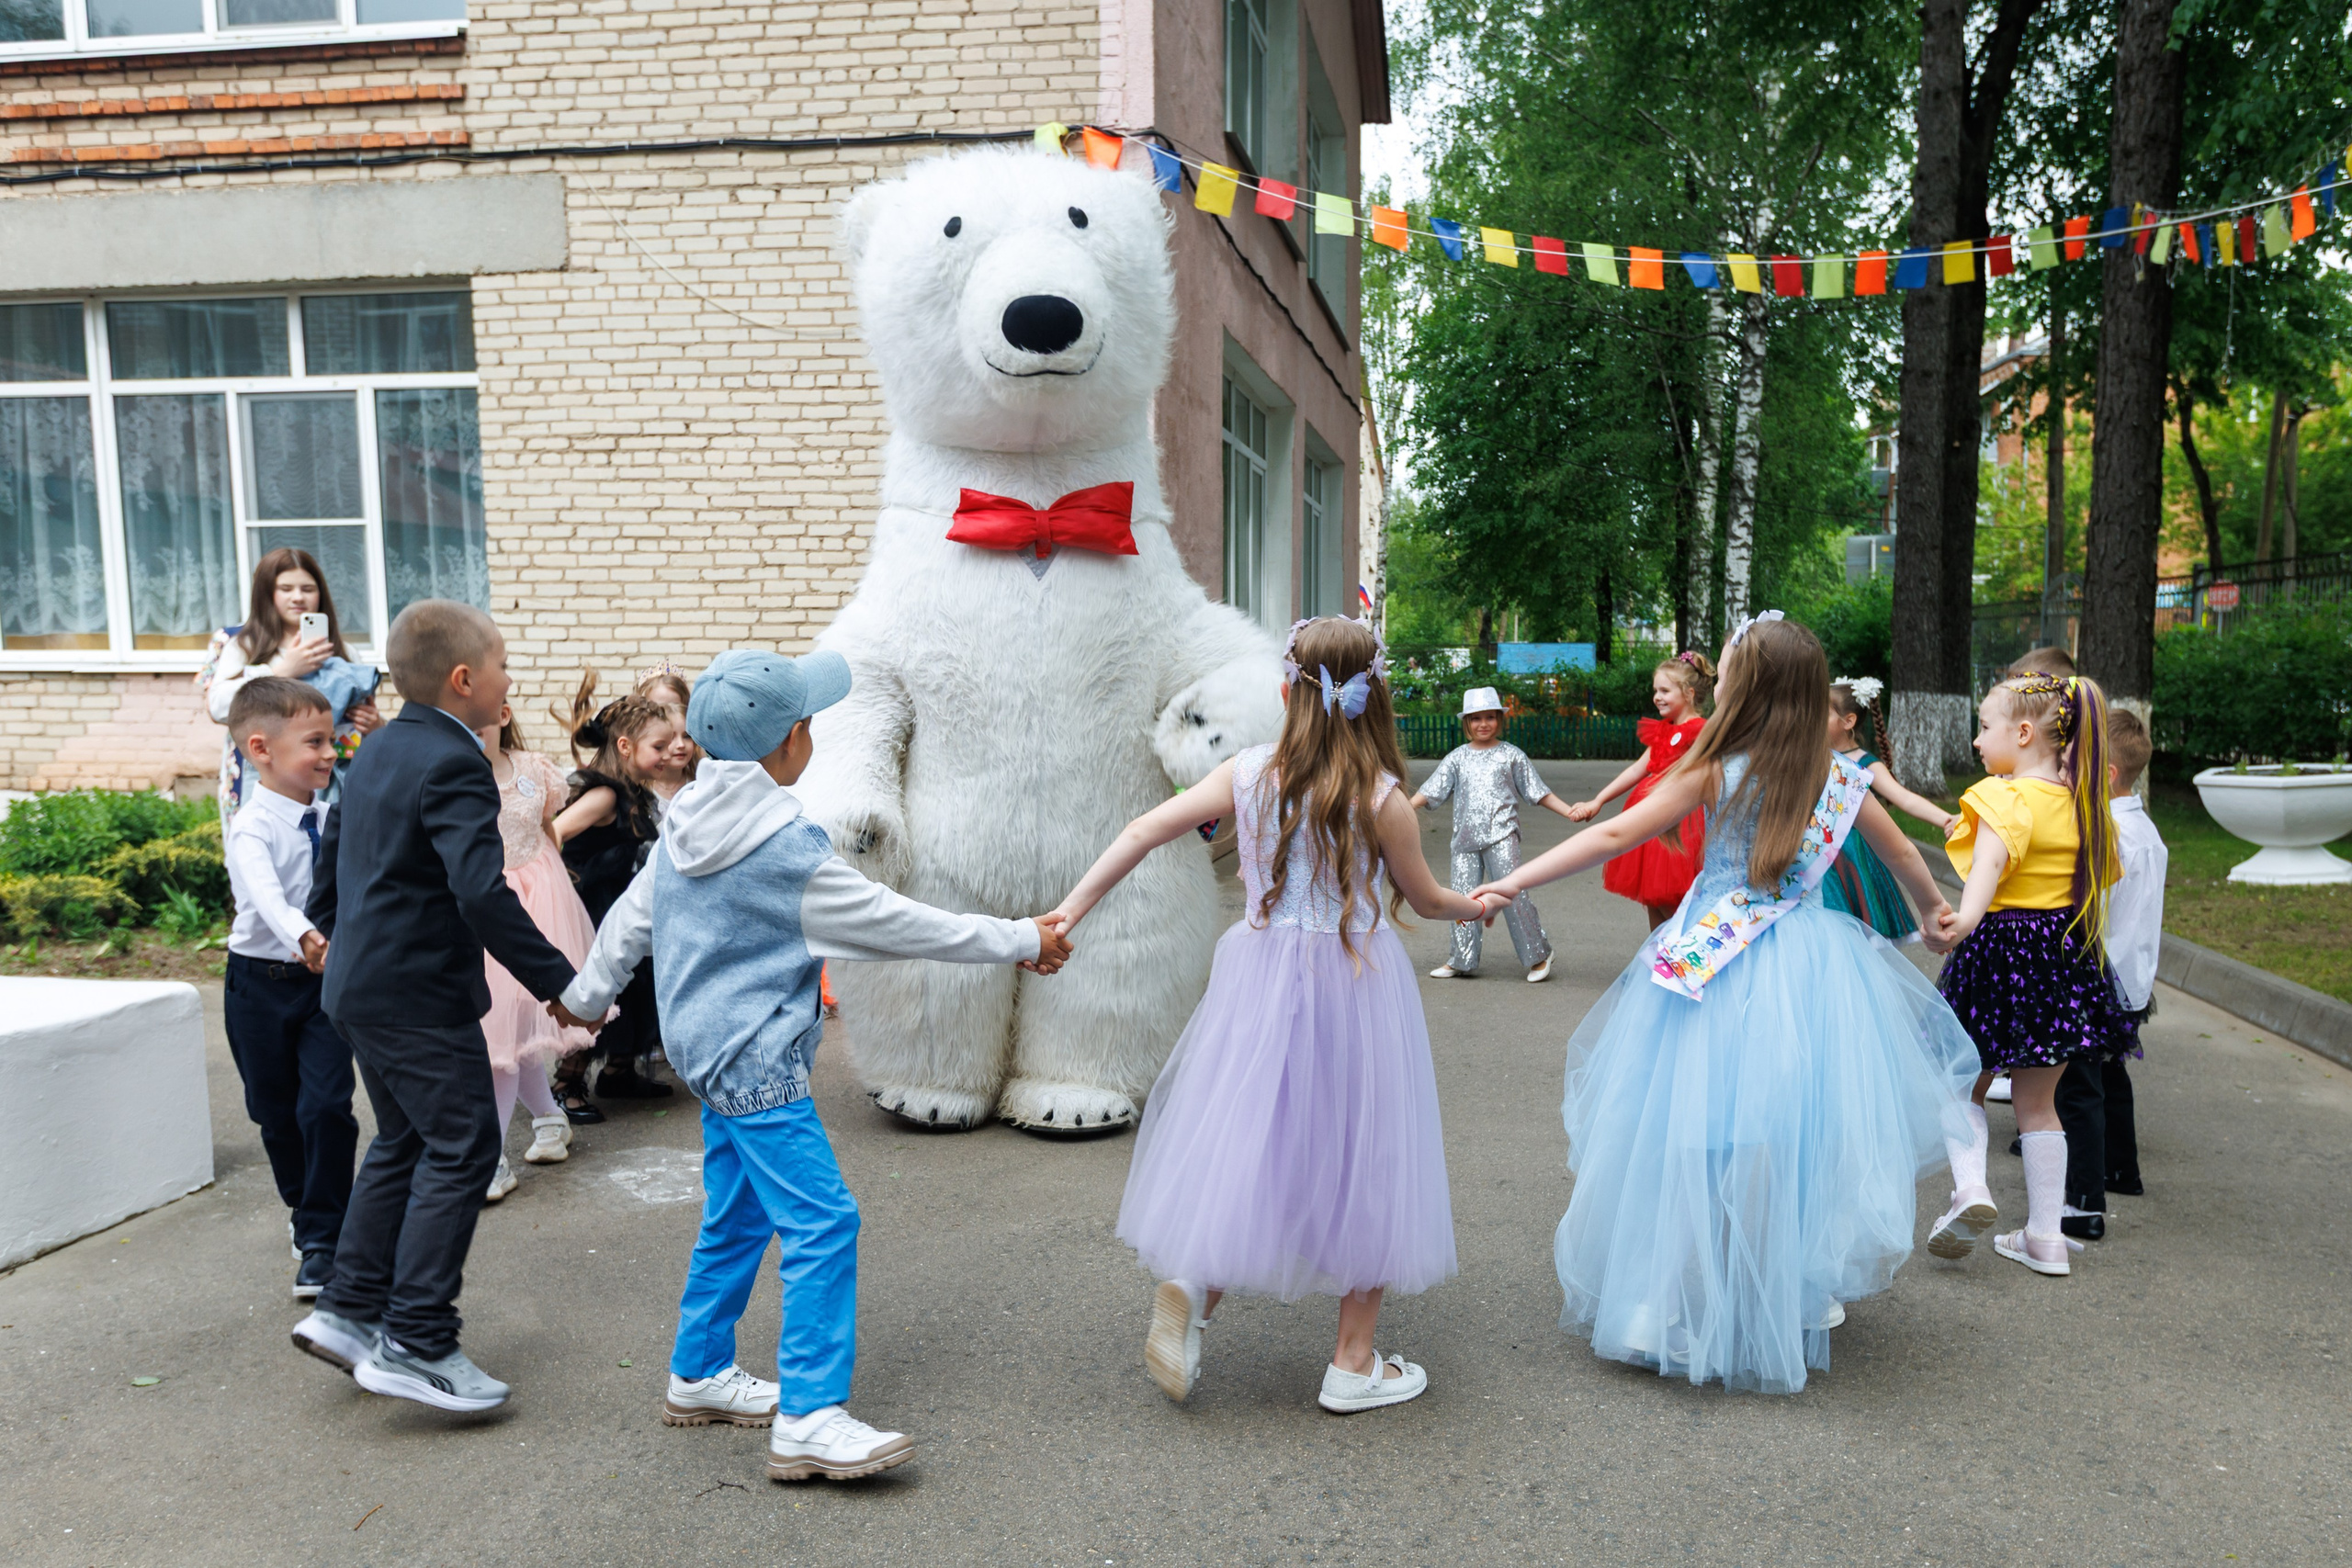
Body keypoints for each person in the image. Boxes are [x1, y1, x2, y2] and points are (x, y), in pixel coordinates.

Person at [555, 649, 1071, 1482]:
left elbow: (628, 921)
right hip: (755, 1062)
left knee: (739, 1214)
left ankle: (698, 1372)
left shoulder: (683, 816)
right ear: (790, 740)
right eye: (808, 722)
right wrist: (1021, 937)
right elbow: (897, 922)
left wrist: (584, 1000)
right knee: (824, 1221)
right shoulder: (783, 847)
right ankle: (809, 1416)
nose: (813, 732)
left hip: (706, 1053)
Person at [1470, 614, 1975, 1394]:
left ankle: (1656, 1302)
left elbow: (1612, 836)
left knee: (1687, 1131)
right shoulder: (1843, 778)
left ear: (1741, 689)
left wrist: (1516, 879)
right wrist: (1932, 914)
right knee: (1781, 1141)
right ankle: (1772, 1293)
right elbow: (1903, 851)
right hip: (1809, 972)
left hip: (1711, 963)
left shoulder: (1718, 765)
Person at [1048, 617, 1483, 1415]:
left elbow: (1146, 830)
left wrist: (1068, 910)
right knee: (1366, 1150)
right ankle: (1353, 1362)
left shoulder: (1245, 772)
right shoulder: (1383, 800)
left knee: (1253, 1130)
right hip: (1355, 980)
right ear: (1374, 697)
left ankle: (1196, 1286)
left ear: (1286, 692)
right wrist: (1475, 902)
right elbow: (1425, 898)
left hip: (1259, 973)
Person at [289, 600, 584, 1415]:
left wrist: (326, 934)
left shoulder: (380, 747)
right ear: (464, 680)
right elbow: (480, 891)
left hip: (358, 985)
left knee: (408, 1139)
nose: (510, 681)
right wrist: (564, 985)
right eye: (502, 667)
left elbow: (336, 857)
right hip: (417, 996)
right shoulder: (456, 763)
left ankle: (349, 1311)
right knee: (463, 1143)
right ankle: (418, 1338)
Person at [1928, 672, 2128, 1280]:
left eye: (1984, 726)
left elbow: (1985, 872)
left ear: (2022, 731)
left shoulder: (2001, 797)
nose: (1977, 739)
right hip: (2065, 954)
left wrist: (1956, 923)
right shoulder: (2086, 806)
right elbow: (2094, 888)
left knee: (1959, 1079)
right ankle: (2046, 1236)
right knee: (2039, 1104)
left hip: (1998, 952)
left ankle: (1969, 1188)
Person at [219, 677, 358, 1303]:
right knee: (275, 1113)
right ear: (261, 748)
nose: (331, 752)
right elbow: (263, 895)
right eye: (316, 742)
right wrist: (306, 935)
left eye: (334, 739)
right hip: (258, 985)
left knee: (327, 1106)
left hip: (322, 988)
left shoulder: (334, 817)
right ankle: (305, 1209)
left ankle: (324, 1235)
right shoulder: (251, 827)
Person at [474, 701, 604, 1201]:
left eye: (481, 721)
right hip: (486, 907)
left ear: (502, 715)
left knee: (514, 1030)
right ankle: (550, 1118)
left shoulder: (533, 770)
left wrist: (556, 880)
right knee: (503, 1033)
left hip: (539, 901)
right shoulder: (451, 778)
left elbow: (547, 829)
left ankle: (492, 1159)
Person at [2051, 708, 2168, 1235]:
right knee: (2112, 1075)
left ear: (2109, 775)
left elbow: (2088, 910)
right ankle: (2123, 1169)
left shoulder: (2108, 836)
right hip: (2133, 977)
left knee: (2079, 1088)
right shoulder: (2146, 831)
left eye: (2075, 764)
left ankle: (2083, 1205)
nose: (2065, 772)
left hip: (2098, 977)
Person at [550, 679, 688, 1120]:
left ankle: (619, 1071)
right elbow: (554, 835)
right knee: (601, 991)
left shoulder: (635, 793)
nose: (671, 754)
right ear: (626, 747)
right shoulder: (605, 794)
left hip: (624, 904)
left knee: (635, 991)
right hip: (597, 911)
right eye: (660, 746)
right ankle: (566, 1081)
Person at [199, 547, 385, 830]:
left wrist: (375, 725)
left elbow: (360, 717)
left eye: (307, 588)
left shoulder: (343, 651)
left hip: (331, 775)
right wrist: (282, 671)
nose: (298, 597)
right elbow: (218, 707)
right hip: (261, 775)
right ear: (266, 593)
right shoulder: (241, 644)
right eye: (285, 588)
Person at [1409, 685, 1572, 982]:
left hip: (1502, 837)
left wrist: (1568, 810)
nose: (1483, 724)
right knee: (1460, 899)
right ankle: (1462, 958)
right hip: (1465, 841)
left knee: (1513, 894)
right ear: (1466, 724)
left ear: (1500, 719)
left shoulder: (1512, 756)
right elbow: (1431, 790)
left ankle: (1539, 954)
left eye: (1489, 717)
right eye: (1475, 719)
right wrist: (1403, 810)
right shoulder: (1457, 758)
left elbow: (1537, 791)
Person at [1568, 652, 1713, 928]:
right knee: (1653, 899)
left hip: (1679, 823)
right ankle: (1657, 961)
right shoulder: (1663, 730)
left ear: (1689, 693)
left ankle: (1683, 959)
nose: (1657, 697)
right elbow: (1637, 770)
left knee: (1676, 903)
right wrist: (1598, 801)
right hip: (1649, 817)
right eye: (1655, 690)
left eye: (1665, 691)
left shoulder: (1701, 731)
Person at [1820, 675, 1958, 943]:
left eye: (1820, 715)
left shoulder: (1862, 762)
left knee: (1855, 938)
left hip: (1854, 861)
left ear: (1848, 721)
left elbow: (1903, 798)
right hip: (1820, 857)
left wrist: (1947, 819)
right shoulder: (1814, 758)